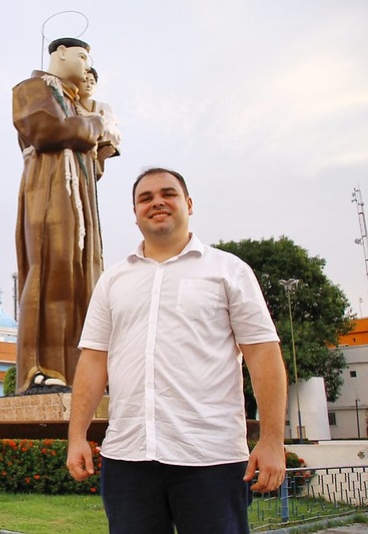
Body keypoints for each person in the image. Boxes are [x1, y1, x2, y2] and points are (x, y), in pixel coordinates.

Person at [66, 168, 288, 533]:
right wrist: (77, 436)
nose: (157, 202)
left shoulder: (228, 271)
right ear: (135, 212)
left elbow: (263, 355)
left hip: (210, 459)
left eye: (168, 193)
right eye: (145, 197)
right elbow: (93, 361)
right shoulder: (113, 281)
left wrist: (271, 440)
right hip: (128, 458)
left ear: (188, 203)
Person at [12, 37, 107, 393]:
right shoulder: (31, 88)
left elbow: (96, 160)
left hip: (80, 197)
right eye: (82, 56)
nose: (86, 64)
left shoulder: (76, 102)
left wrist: (95, 136)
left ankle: (80, 371)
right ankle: (40, 368)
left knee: (83, 277)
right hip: (49, 186)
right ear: (61, 54)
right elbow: (47, 131)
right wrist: (93, 126)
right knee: (50, 270)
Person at [76, 67, 121, 178]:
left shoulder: (104, 107)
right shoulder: (71, 105)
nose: (88, 85)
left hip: (95, 156)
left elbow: (112, 133)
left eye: (92, 82)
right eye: (84, 80)